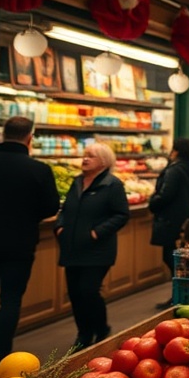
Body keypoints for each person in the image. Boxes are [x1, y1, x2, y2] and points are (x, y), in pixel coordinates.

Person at [0, 117, 59, 378]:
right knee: (11, 299)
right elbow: (51, 207)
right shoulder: (39, 169)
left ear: (2, 134)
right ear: (29, 138)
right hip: (19, 243)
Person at [54, 143, 130, 350]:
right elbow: (65, 210)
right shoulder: (77, 181)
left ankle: (101, 329)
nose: (85, 159)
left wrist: (97, 232)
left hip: (98, 249)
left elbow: (121, 215)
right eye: (85, 155)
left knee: (88, 290)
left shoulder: (112, 184)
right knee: (75, 293)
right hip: (72, 247)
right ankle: (84, 333)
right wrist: (59, 227)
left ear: (104, 162)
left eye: (91, 156)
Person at [149, 138, 189, 308]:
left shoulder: (174, 170)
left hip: (170, 218)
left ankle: (178, 294)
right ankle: (181, 293)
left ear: (176, 151)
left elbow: (165, 194)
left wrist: (153, 203)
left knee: (171, 257)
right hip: (185, 218)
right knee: (179, 257)